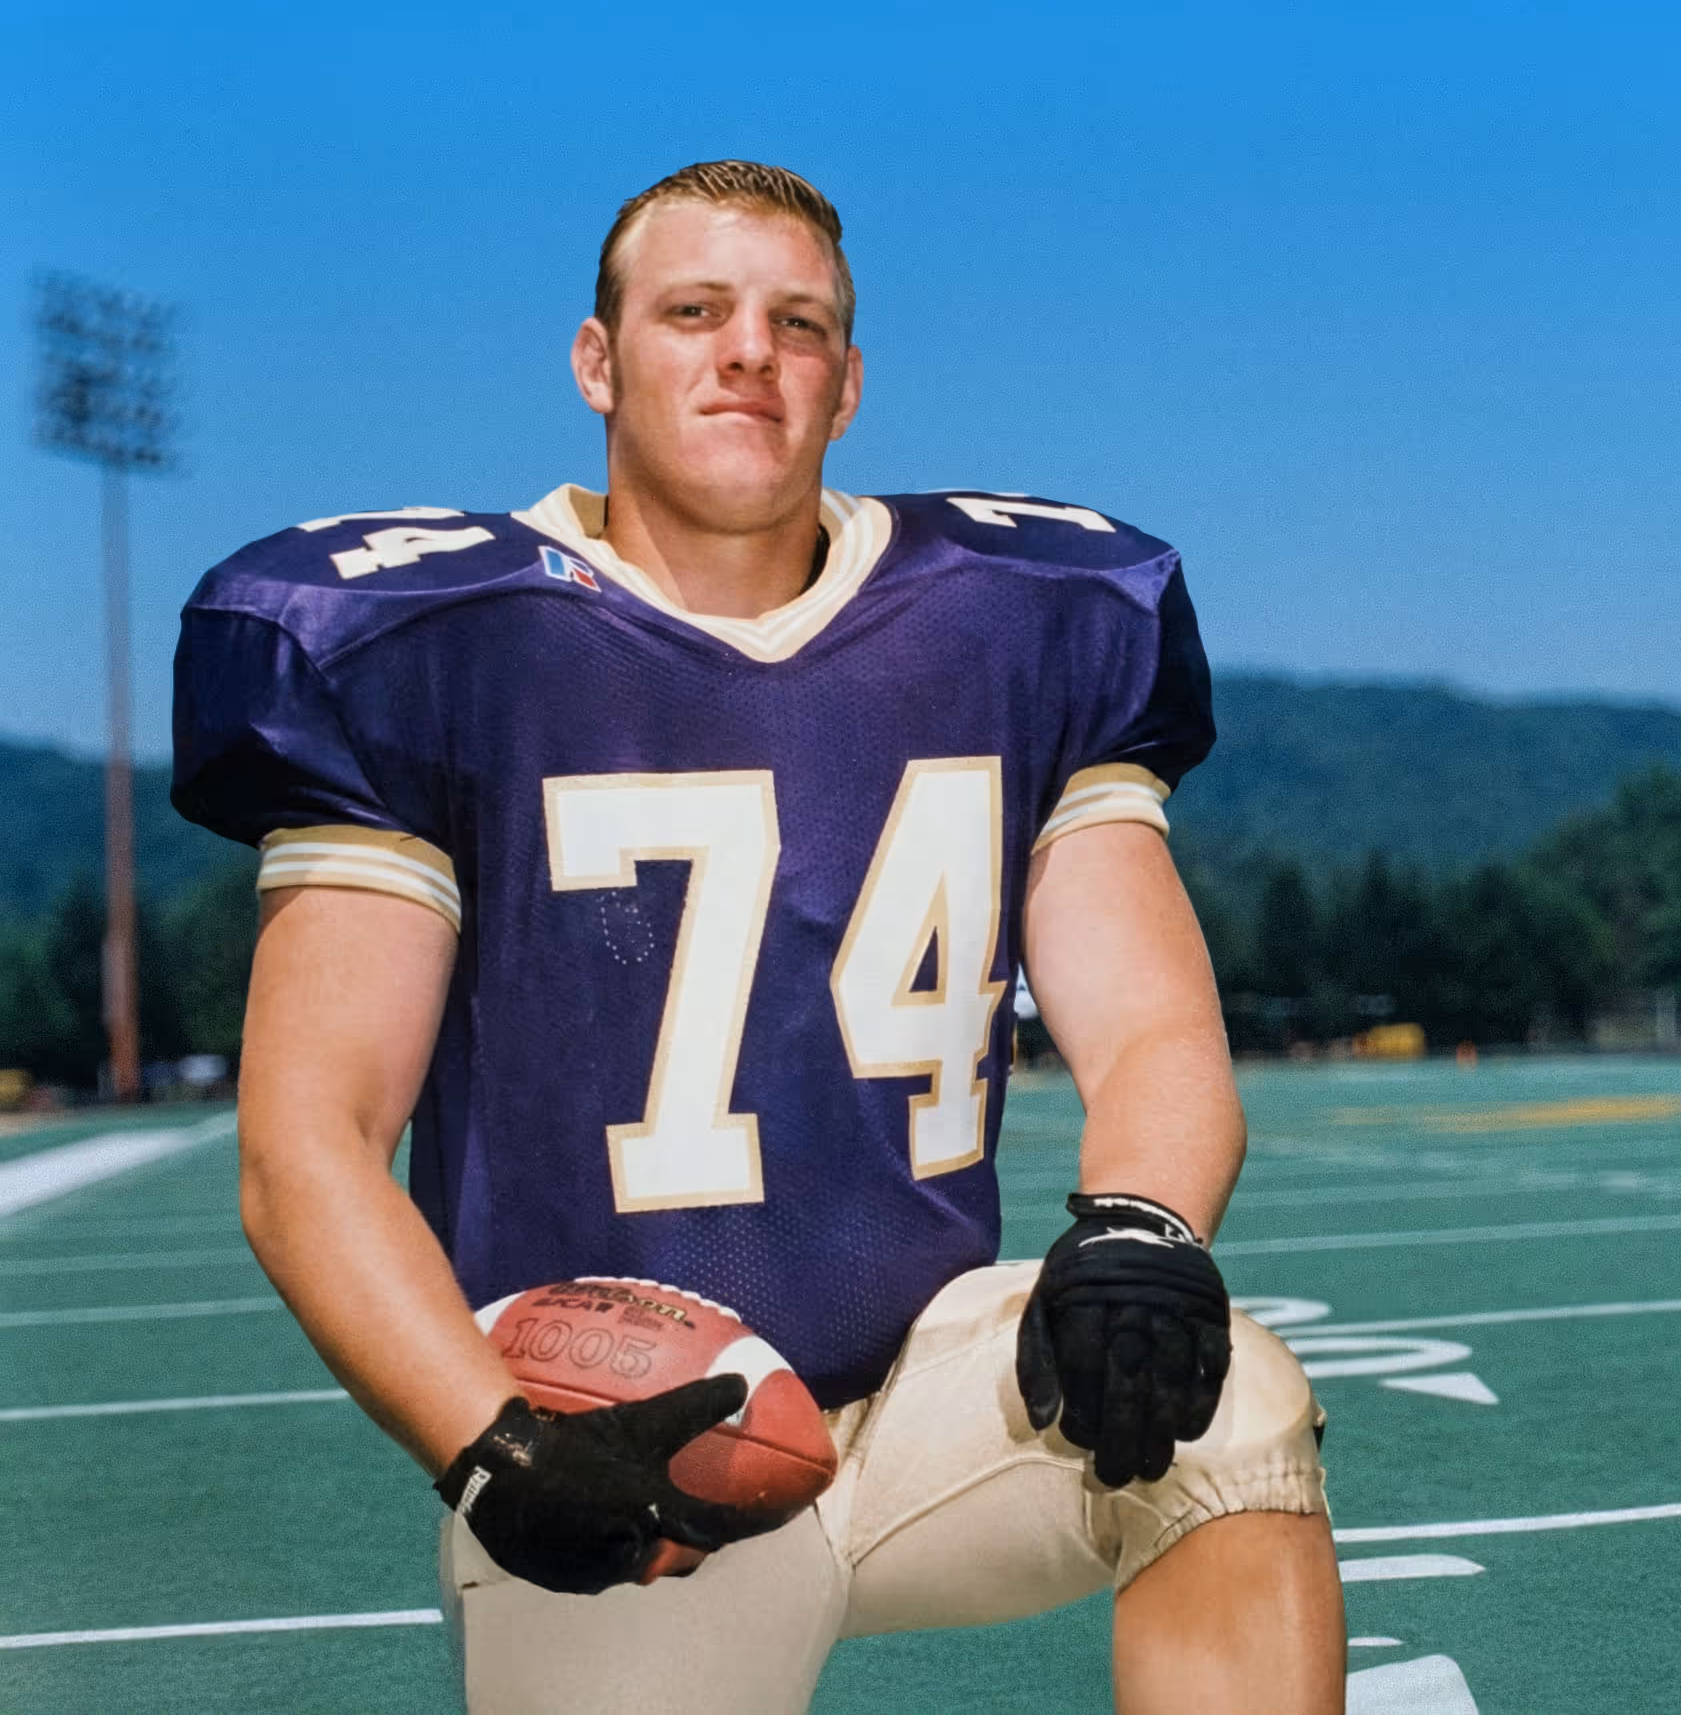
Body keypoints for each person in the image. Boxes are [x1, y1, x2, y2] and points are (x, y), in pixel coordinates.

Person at [172, 160, 1344, 1715]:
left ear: (847, 383)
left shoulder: (1020, 617)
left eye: (797, 322)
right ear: (599, 360)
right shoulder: (426, 644)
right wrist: (493, 1441)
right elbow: (311, 1140)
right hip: (617, 1429)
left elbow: (1150, 1028)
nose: (749, 351)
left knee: (1227, 1403)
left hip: (940, 1388)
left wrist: (1141, 1226)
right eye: (696, 311)